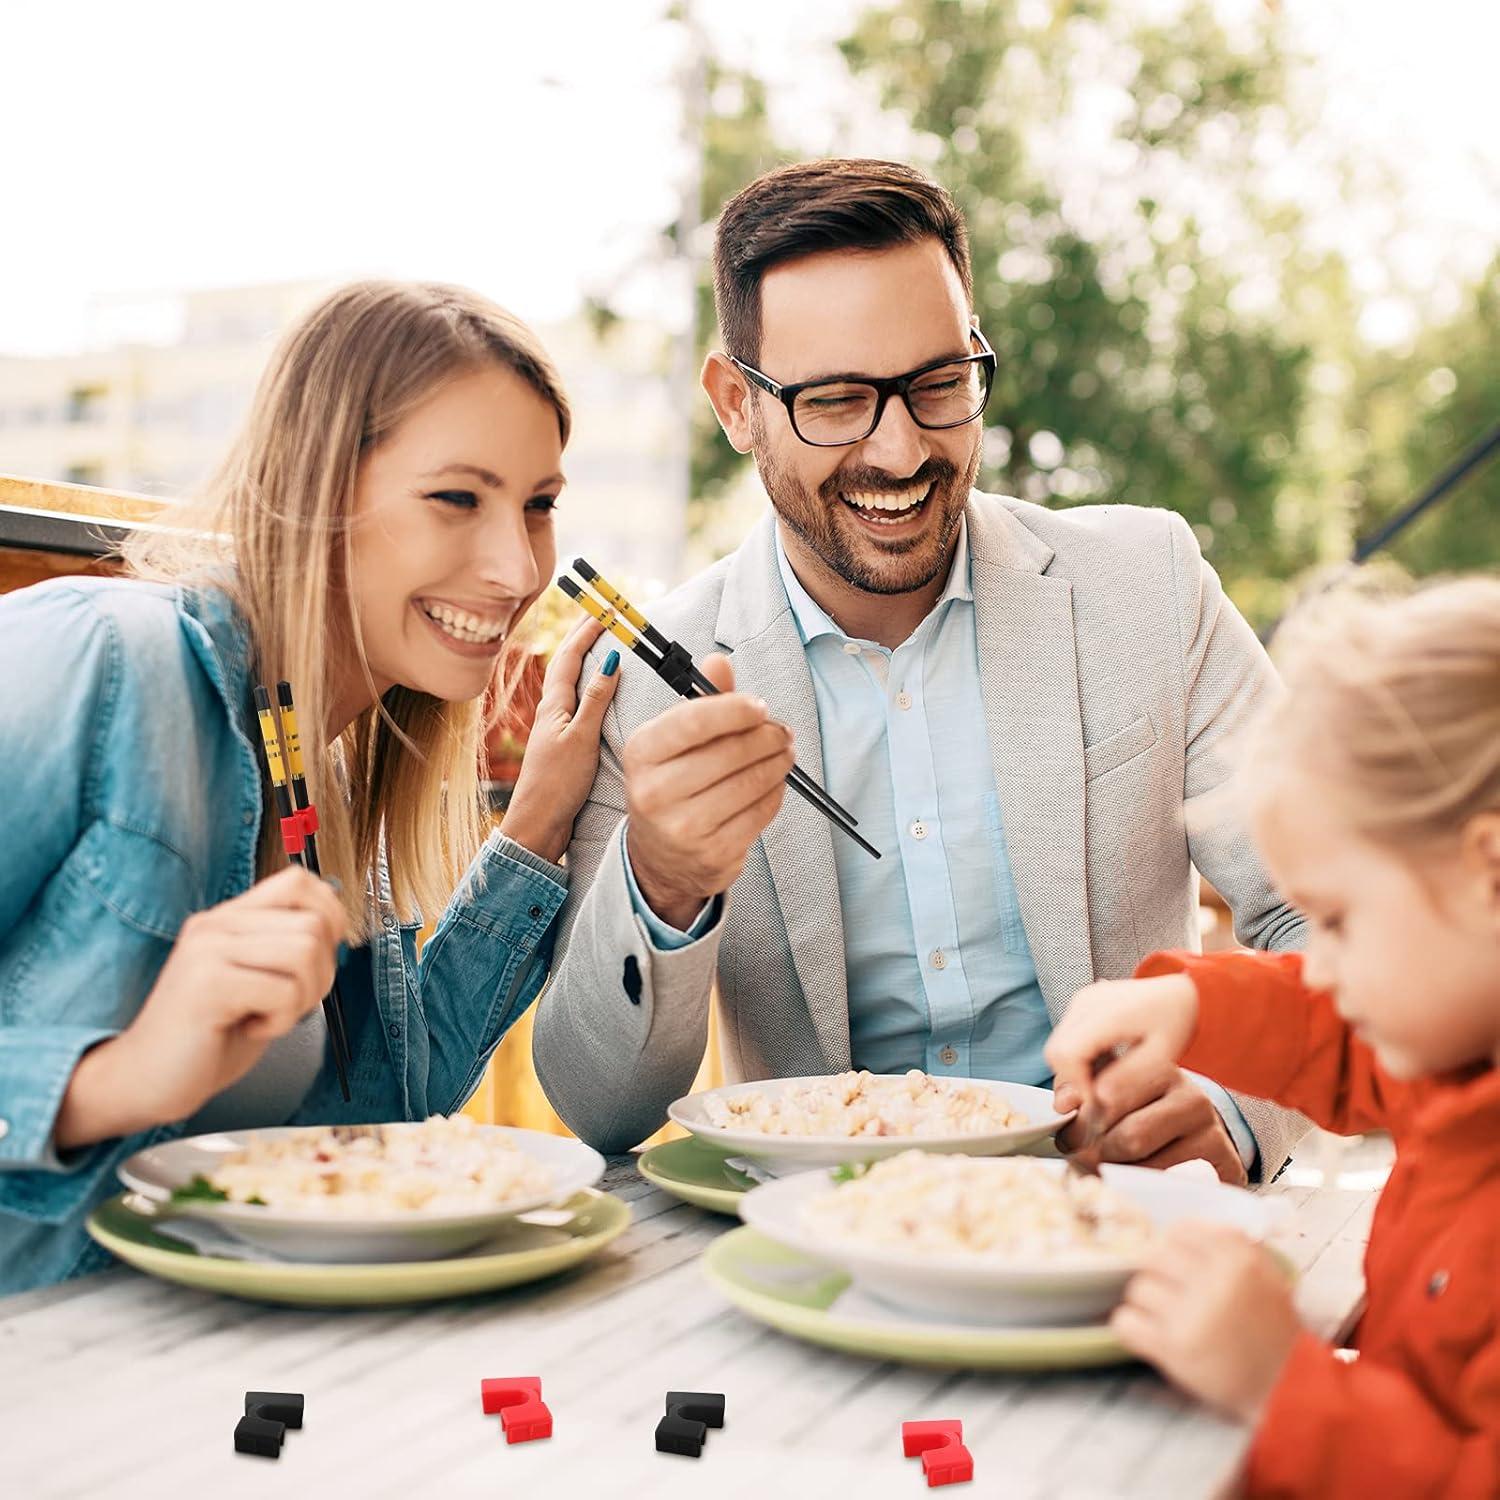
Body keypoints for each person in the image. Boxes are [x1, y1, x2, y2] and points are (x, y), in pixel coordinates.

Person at [533, 158, 1305, 1179]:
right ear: (735, 403)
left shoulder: (1149, 587)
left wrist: (1233, 1110)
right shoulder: (650, 683)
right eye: (840, 400)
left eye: (939, 385)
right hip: (823, 1243)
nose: (900, 451)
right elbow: (599, 1107)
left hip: (1122, 1219)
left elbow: (1328, 916)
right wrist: (663, 884)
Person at [0, 280, 618, 1293]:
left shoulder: (322, 769)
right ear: (319, 486)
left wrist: (544, 812)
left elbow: (387, 1104)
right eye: (457, 497)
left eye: (539, 505)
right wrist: (111, 1079)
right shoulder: (103, 660)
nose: (517, 567)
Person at [1047, 579, 1500, 1499]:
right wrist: (1194, 1009)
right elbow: (1339, 1036)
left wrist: (1282, 1382)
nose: (1317, 964)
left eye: (1335, 919)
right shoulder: (1456, 1041)